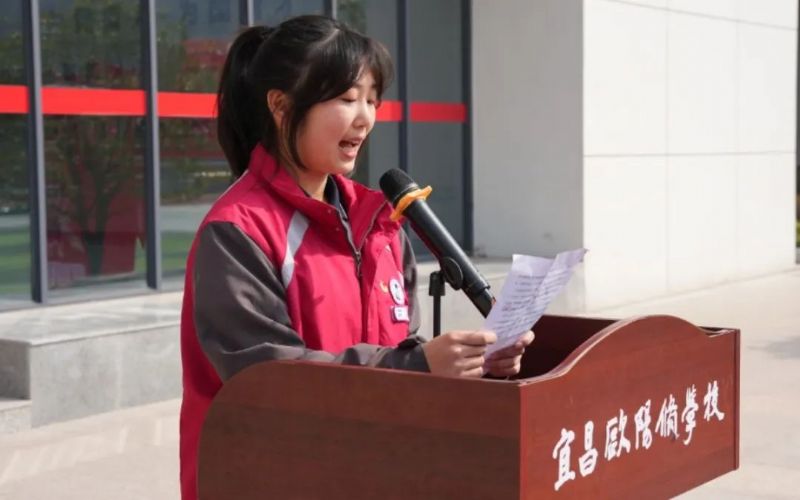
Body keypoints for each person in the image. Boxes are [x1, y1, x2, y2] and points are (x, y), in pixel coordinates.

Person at [179, 15, 534, 499]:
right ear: (281, 106)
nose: (365, 117)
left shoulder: (380, 224)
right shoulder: (239, 230)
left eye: (372, 99)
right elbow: (267, 381)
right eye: (347, 98)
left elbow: (395, 348)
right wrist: (416, 365)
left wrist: (473, 364)